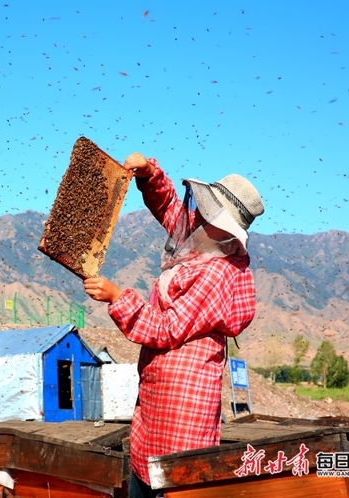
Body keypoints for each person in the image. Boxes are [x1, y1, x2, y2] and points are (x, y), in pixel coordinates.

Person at [83, 152, 264, 498]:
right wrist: (150, 175)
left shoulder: (217, 273)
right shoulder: (203, 242)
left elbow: (166, 328)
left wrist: (116, 298)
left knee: (174, 479)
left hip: (184, 411)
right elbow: (172, 212)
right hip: (155, 403)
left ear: (226, 229)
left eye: (208, 214)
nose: (197, 217)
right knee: (145, 469)